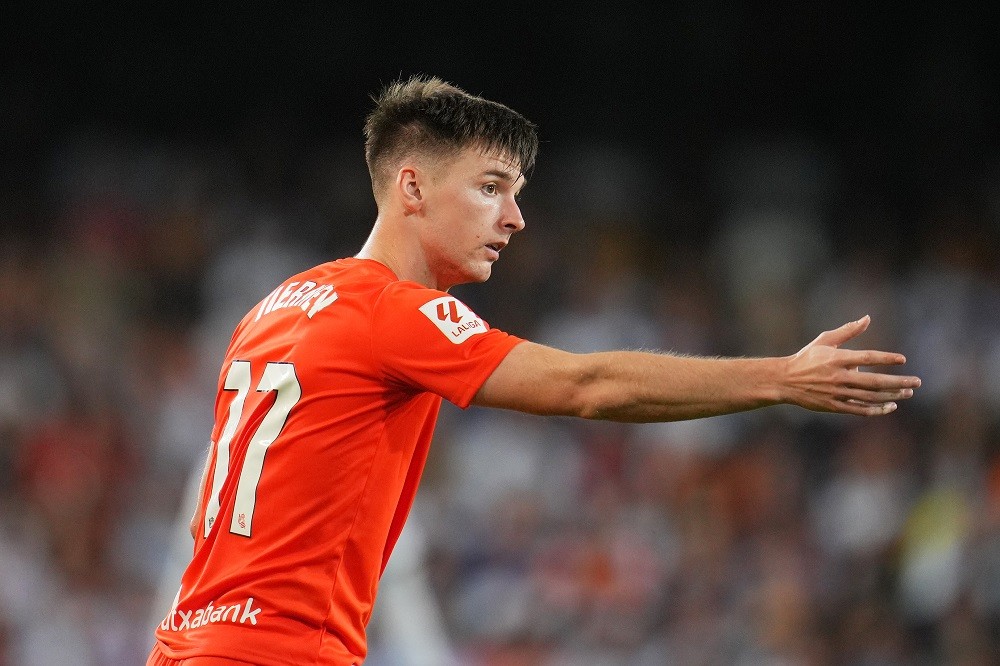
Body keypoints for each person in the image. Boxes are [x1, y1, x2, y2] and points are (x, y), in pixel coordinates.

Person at [147, 75, 921, 666]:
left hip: (184, 645)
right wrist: (781, 377)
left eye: (516, 193)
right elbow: (586, 387)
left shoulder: (272, 306)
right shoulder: (394, 311)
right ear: (412, 185)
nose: (515, 217)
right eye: (492, 188)